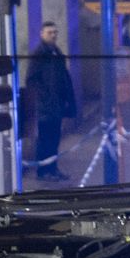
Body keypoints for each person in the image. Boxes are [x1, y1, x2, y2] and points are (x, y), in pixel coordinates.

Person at [25, 22, 76, 181]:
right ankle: (43, 172)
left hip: (57, 105)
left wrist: (66, 100)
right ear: (42, 34)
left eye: (55, 32)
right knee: (45, 139)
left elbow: (63, 78)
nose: (53, 35)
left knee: (54, 139)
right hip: (45, 106)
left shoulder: (56, 53)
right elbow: (31, 79)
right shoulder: (39, 54)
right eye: (49, 32)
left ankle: (53, 169)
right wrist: (45, 97)